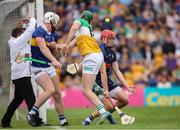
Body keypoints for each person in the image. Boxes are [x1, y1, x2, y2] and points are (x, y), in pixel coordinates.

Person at [60, 10, 110, 124]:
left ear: (82, 17)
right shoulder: (86, 30)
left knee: (86, 90)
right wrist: (64, 46)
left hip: (91, 57)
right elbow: (72, 43)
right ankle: (96, 87)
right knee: (77, 70)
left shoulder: (80, 21)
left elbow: (73, 28)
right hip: (96, 56)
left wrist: (65, 42)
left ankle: (102, 111)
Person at [82, 30, 135, 125]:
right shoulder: (99, 52)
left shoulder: (112, 52)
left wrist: (127, 86)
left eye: (113, 39)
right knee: (109, 106)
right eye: (111, 39)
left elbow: (117, 71)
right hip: (96, 82)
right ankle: (88, 119)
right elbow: (103, 73)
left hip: (107, 80)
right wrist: (105, 90)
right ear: (105, 39)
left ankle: (106, 115)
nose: (113, 41)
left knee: (125, 100)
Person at [27, 12, 68, 127]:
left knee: (57, 94)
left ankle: (63, 120)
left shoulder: (51, 33)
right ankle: (31, 113)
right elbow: (43, 48)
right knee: (49, 90)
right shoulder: (39, 31)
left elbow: (52, 44)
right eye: (56, 21)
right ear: (51, 21)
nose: (57, 23)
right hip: (37, 67)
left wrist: (60, 47)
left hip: (48, 67)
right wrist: (54, 60)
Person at [0, 17, 37, 128]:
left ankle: (5, 121)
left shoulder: (17, 43)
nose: (24, 34)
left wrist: (22, 25)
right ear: (19, 35)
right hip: (22, 77)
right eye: (22, 33)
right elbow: (30, 30)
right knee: (31, 99)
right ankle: (36, 120)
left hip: (19, 76)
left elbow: (26, 32)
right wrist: (31, 19)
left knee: (17, 100)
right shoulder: (18, 42)